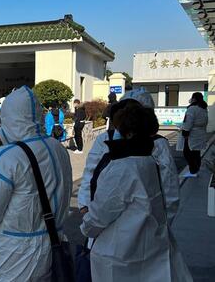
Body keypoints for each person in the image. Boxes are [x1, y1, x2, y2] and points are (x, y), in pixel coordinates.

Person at [80, 103, 192, 282]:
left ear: (129, 133)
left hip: (117, 256)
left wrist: (86, 222)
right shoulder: (149, 162)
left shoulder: (122, 167)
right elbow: (169, 201)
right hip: (150, 248)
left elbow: (99, 215)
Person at [0, 86, 73, 281]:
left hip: (12, 259)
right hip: (51, 249)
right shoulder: (59, 149)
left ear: (10, 118)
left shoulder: (9, 156)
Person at [78, 89, 180, 224]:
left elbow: (169, 189)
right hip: (104, 221)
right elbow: (90, 174)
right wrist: (85, 207)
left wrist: (162, 224)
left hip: (144, 225)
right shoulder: (104, 140)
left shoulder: (159, 144)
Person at [182, 92, 208, 178]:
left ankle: (193, 170)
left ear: (194, 99)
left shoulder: (192, 109)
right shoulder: (203, 108)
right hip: (201, 133)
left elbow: (188, 121)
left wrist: (185, 131)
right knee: (196, 152)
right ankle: (196, 169)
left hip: (192, 134)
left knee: (187, 152)